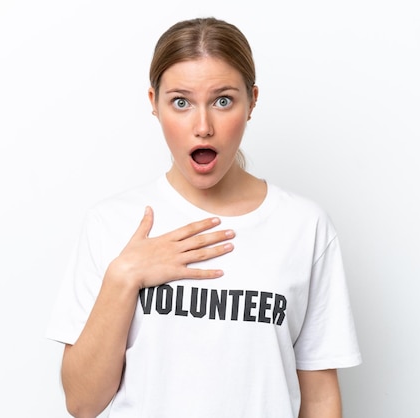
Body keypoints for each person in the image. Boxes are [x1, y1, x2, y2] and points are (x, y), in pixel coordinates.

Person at [46, 17, 361, 418]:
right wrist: (124, 276)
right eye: (180, 102)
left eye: (223, 100)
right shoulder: (110, 223)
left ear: (252, 101)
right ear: (153, 103)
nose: (202, 127)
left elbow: (318, 397)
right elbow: (82, 403)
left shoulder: (304, 226)